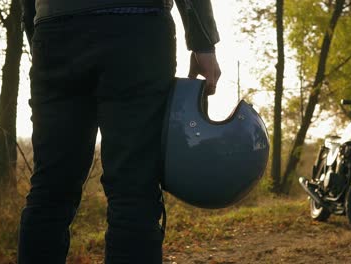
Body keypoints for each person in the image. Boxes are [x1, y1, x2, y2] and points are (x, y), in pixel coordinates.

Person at [17, 0, 221, 263]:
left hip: (56, 28)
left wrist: (38, 28)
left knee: (50, 190)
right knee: (134, 188)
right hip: (137, 29)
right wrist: (203, 42)